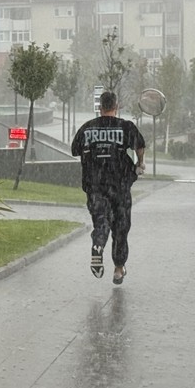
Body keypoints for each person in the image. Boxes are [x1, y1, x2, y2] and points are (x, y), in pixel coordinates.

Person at [72, 90, 145, 285]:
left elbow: (75, 150)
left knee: (101, 221)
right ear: (116, 106)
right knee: (121, 227)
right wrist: (140, 163)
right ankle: (119, 269)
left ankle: (98, 244)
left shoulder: (87, 128)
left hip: (95, 185)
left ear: (100, 107)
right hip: (119, 185)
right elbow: (140, 145)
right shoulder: (125, 127)